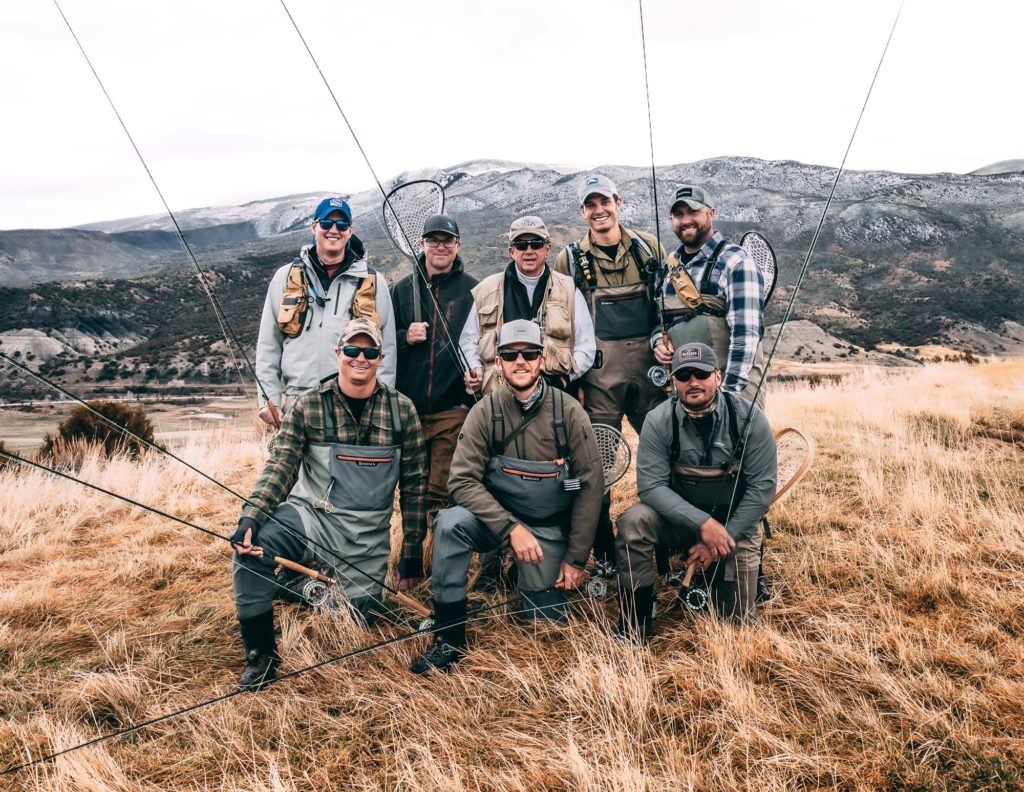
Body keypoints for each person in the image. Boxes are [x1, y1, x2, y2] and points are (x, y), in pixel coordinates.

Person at [230, 318, 427, 691]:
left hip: (365, 537)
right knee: (252, 551)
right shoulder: (308, 405)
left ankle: (295, 585)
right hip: (311, 519)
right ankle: (261, 655)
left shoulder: (403, 411)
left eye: (369, 351)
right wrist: (250, 517)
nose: (360, 358)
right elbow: (280, 468)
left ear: (381, 357)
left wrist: (412, 551)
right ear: (338, 353)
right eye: (352, 349)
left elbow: (416, 485)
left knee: (357, 616)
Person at [410, 320, 603, 675]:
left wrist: (576, 560)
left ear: (542, 360)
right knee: (449, 524)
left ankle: (522, 575)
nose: (520, 361)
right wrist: (512, 529)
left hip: (547, 529)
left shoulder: (570, 412)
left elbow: (591, 487)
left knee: (545, 624)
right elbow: (461, 481)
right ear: (498, 362)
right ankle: (448, 636)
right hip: (496, 525)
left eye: (529, 354)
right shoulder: (483, 411)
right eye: (510, 355)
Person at [615, 343, 776, 640]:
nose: (693, 382)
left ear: (718, 376)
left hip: (734, 529)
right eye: (683, 375)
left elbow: (761, 490)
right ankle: (636, 622)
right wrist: (704, 525)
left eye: (701, 374)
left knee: (737, 627)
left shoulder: (750, 419)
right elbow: (650, 487)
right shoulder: (658, 420)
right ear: (673, 381)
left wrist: (720, 537)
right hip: (679, 524)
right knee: (633, 522)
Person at [553, 173, 669, 576]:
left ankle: (666, 552)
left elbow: (666, 306)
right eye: (591, 204)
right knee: (597, 467)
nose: (599, 210)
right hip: (598, 378)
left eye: (605, 201)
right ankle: (603, 555)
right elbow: (563, 323)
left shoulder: (648, 247)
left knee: (663, 458)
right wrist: (573, 385)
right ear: (582, 211)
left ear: (618, 203)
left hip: (650, 375)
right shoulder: (570, 259)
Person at [255, 196, 397, 429]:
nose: (334, 230)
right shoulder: (285, 276)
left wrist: (380, 403)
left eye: (341, 224)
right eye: (326, 223)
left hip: (353, 405)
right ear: (314, 227)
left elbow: (386, 350)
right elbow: (268, 345)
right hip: (296, 402)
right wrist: (267, 399)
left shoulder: (373, 281)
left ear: (350, 231)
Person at [390, 214, 479, 528]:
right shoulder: (401, 290)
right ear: (422, 244)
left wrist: (471, 389)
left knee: (440, 492)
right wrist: (405, 337)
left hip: (451, 411)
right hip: (408, 411)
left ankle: (436, 554)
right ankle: (413, 551)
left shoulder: (474, 290)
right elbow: (382, 343)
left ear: (458, 245)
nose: (440, 246)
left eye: (447, 240)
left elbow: (481, 343)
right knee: (411, 490)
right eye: (433, 240)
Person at [652, 185, 766, 404]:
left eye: (693, 212)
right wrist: (657, 341)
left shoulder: (736, 261)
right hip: (684, 395)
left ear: (711, 213)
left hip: (732, 392)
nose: (686, 220)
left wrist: (728, 397)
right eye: (678, 214)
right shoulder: (666, 269)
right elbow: (657, 320)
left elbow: (746, 336)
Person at [460, 216, 595, 396]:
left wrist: (565, 379)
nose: (529, 250)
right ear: (511, 251)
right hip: (500, 396)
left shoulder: (569, 289)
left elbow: (586, 346)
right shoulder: (486, 290)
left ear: (547, 249)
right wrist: (474, 368)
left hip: (555, 395)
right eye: (521, 245)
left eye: (536, 244)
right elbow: (468, 340)